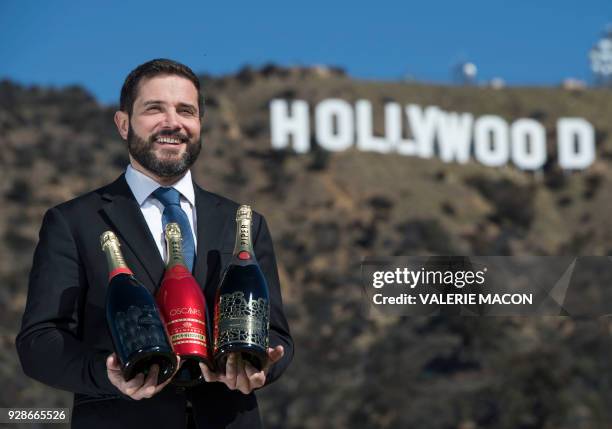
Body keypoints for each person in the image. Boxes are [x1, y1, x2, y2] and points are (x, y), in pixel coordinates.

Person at [16, 58, 294, 429]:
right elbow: (39, 343)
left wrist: (261, 367)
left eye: (186, 111)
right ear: (123, 123)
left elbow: (276, 335)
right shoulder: (73, 222)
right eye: (154, 109)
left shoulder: (245, 223)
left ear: (199, 125)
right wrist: (107, 373)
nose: (173, 123)